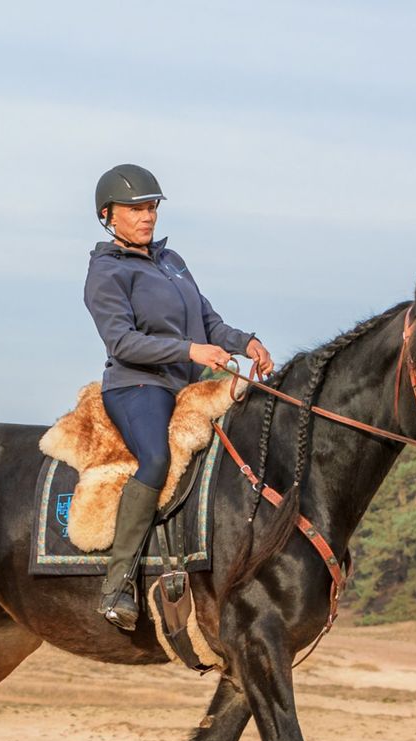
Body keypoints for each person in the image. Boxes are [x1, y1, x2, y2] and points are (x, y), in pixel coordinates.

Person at [82, 163, 274, 630]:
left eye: (151, 207)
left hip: (187, 386)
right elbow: (121, 342)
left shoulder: (172, 261)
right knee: (155, 460)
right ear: (108, 215)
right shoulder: (106, 272)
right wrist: (190, 350)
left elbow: (208, 322)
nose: (147, 216)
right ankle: (117, 585)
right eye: (135, 209)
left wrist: (244, 342)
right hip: (137, 385)